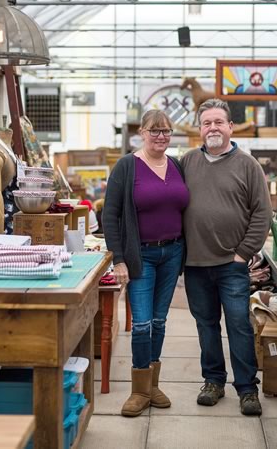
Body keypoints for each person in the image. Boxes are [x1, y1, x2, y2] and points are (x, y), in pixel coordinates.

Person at [180, 98, 271, 416]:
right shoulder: (187, 162)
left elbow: (262, 212)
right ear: (199, 129)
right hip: (194, 264)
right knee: (206, 325)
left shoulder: (248, 165)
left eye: (219, 122)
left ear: (231, 127)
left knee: (239, 326)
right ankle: (213, 382)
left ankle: (247, 389)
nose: (213, 127)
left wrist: (242, 253)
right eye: (207, 122)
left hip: (231, 264)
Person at [103, 109, 189, 417]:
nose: (161, 136)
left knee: (159, 321)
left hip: (173, 253)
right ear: (142, 132)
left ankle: (152, 384)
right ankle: (139, 390)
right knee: (141, 323)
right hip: (141, 256)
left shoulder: (177, 165)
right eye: (155, 131)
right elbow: (109, 216)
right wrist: (118, 259)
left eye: (166, 131)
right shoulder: (127, 167)